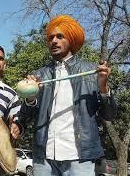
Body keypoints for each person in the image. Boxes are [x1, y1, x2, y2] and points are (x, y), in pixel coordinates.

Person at [20, 15, 117, 176]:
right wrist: (30, 97)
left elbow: (110, 115)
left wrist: (103, 86)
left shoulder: (92, 72)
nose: (54, 41)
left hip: (80, 159)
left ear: (71, 39)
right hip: (44, 158)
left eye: (60, 36)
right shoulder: (39, 75)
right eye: (51, 37)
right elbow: (26, 118)